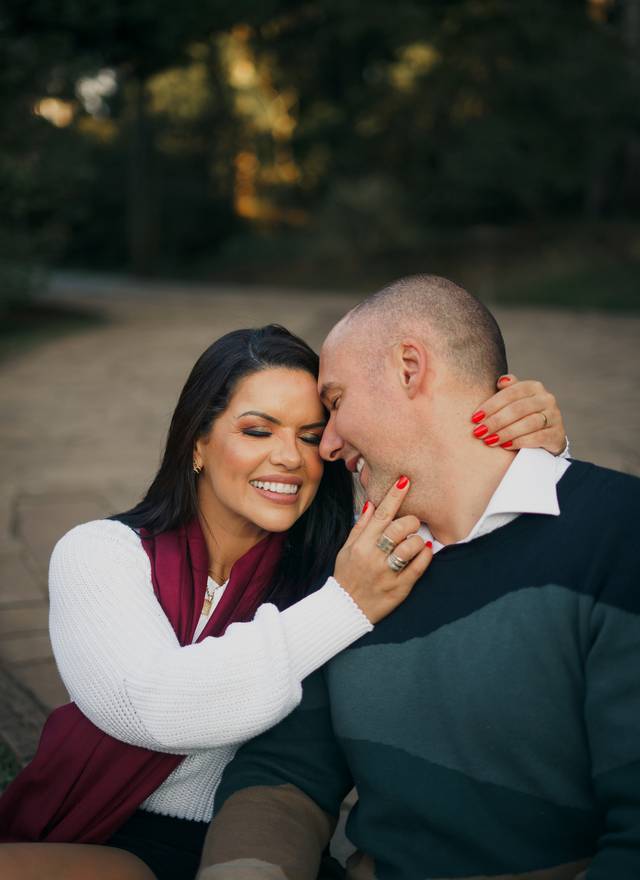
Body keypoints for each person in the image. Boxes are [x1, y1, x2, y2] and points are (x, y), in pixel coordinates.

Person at [0, 323, 565, 880]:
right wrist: (345, 606)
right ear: (198, 441)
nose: (291, 458)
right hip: (110, 832)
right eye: (257, 431)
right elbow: (148, 705)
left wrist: (533, 447)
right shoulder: (102, 553)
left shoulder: (340, 556)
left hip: (265, 840)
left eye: (310, 434)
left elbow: (467, 539)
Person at [198, 276, 640, 880]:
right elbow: (286, 776)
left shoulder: (620, 535)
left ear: (410, 368)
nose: (325, 447)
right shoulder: (360, 572)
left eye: (335, 402)